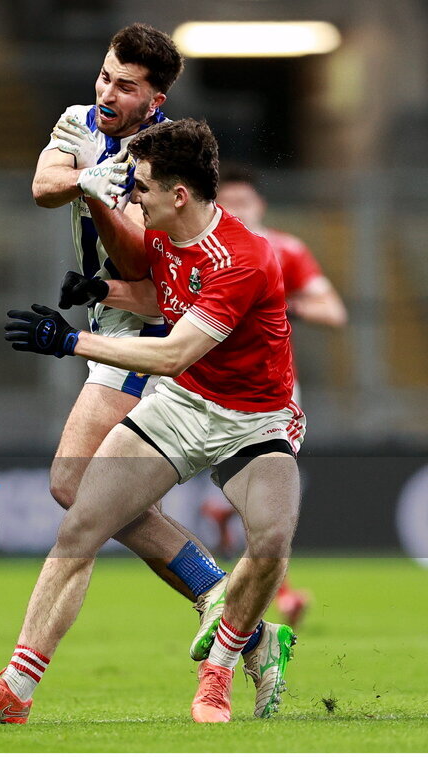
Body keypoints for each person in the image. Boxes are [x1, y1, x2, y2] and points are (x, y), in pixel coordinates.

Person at [0, 119, 302, 724]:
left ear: (178, 195)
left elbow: (171, 351)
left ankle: (222, 667)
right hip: (184, 404)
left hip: (254, 419)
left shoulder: (245, 258)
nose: (133, 196)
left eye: (143, 188)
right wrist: (103, 289)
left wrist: (70, 342)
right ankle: (14, 692)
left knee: (270, 541)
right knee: (81, 522)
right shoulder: (164, 235)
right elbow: (167, 298)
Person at [32, 23, 235, 669]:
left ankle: (218, 594)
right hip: (114, 320)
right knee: (95, 492)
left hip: (151, 328)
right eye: (103, 76)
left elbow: (142, 266)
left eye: (125, 86)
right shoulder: (79, 121)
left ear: (156, 100)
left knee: (74, 485)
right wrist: (91, 179)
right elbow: (43, 185)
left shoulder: (164, 162)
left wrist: (94, 189)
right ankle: (237, 620)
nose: (106, 93)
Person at [198, 164, 348, 626]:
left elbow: (333, 310)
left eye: (245, 202)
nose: (237, 210)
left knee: (269, 490)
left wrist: (287, 305)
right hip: (207, 382)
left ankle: (262, 583)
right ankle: (254, 585)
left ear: (260, 205)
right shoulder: (202, 250)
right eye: (229, 203)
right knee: (260, 492)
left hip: (272, 386)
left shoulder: (284, 250)